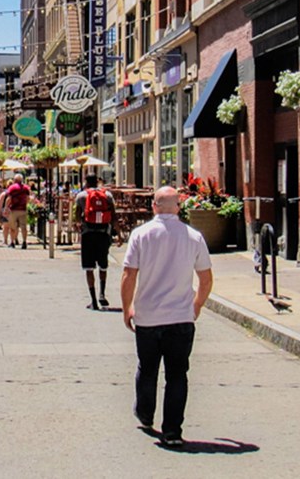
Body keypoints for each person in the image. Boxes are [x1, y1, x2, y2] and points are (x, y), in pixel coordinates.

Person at [120, 186, 213, 447]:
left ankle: (146, 413)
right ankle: (172, 430)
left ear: (154, 207)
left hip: (148, 316)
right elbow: (206, 279)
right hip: (181, 317)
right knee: (177, 374)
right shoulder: (193, 237)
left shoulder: (141, 234)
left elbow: (129, 274)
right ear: (179, 207)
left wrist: (127, 307)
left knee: (147, 368)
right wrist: (196, 306)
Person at [75, 173, 115, 309]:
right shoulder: (107, 195)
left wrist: (77, 226)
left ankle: (93, 300)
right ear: (98, 181)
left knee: (89, 268)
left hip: (88, 234)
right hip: (103, 233)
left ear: (86, 182)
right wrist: (119, 233)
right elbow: (113, 215)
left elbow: (77, 216)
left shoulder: (81, 196)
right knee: (103, 265)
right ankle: (102, 293)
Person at [5, 174, 31, 249]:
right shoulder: (26, 188)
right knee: (24, 227)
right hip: (23, 209)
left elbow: (9, 198)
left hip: (14, 210)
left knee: (13, 227)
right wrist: (25, 204)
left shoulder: (12, 187)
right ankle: (24, 242)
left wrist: (6, 207)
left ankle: (12, 242)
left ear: (15, 180)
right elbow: (28, 198)